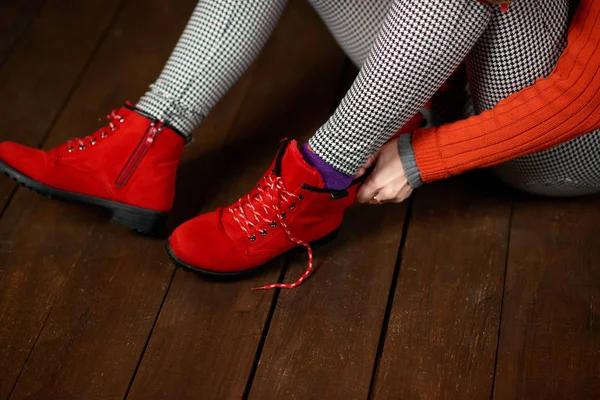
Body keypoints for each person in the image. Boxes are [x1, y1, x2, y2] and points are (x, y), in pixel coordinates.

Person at [1, 0, 598, 290]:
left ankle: (317, 180)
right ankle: (143, 144)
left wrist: (425, 157)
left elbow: (582, 96)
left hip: (559, 143)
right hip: (453, 71)